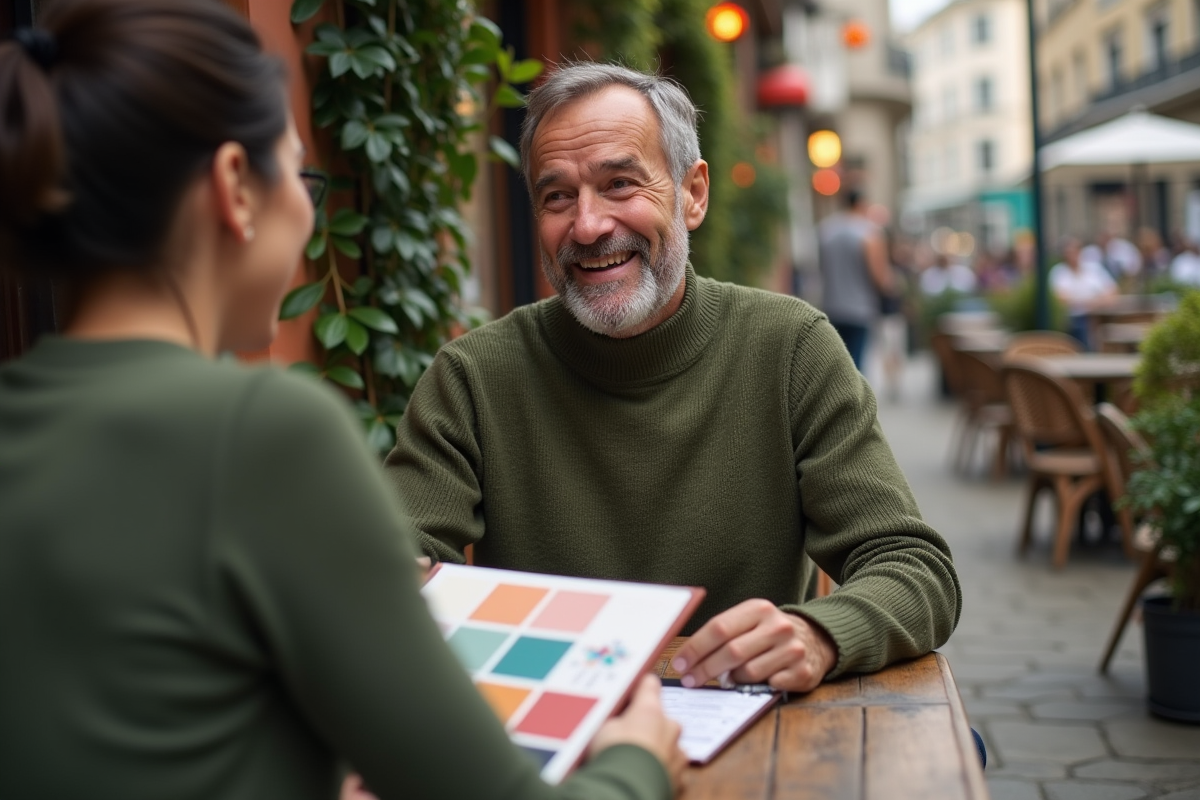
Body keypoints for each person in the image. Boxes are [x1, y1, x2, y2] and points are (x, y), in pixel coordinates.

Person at [0, 4, 684, 799]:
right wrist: (636, 760)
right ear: (235, 188)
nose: (306, 212)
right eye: (298, 175)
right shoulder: (259, 436)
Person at [384, 63, 961, 696]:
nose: (587, 225)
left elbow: (915, 569)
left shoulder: (789, 348)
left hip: (752, 732)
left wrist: (820, 636)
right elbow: (393, 558)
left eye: (619, 183)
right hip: (552, 742)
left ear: (693, 193)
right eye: (557, 197)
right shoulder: (473, 377)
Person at [818, 188, 895, 369]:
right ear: (861, 204)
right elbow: (879, 276)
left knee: (837, 365)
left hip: (831, 306)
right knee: (856, 367)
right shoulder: (869, 232)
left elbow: (820, 268)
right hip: (860, 309)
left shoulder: (825, 230)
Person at [1049, 236, 1118, 348]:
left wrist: (1086, 303)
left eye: (1075, 251)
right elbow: (1061, 299)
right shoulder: (1059, 272)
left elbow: (1112, 292)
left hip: (1098, 317)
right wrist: (1093, 302)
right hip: (1072, 319)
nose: (1072, 256)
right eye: (1069, 252)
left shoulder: (1093, 268)